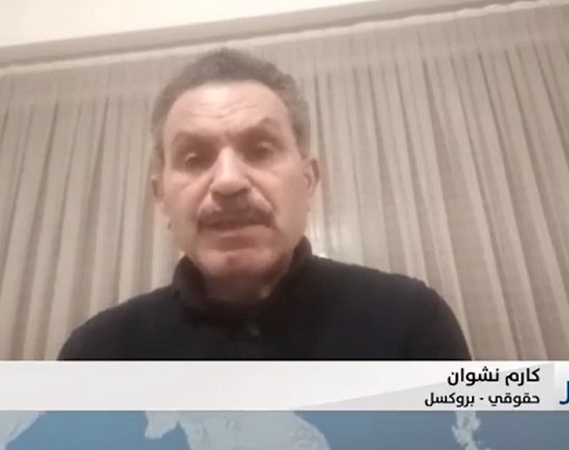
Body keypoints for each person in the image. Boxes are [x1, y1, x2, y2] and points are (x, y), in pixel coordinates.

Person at [59, 48, 471, 360]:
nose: (228, 182)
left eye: (260, 149)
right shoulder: (96, 355)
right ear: (161, 196)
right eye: (194, 158)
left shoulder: (411, 321)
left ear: (308, 180)